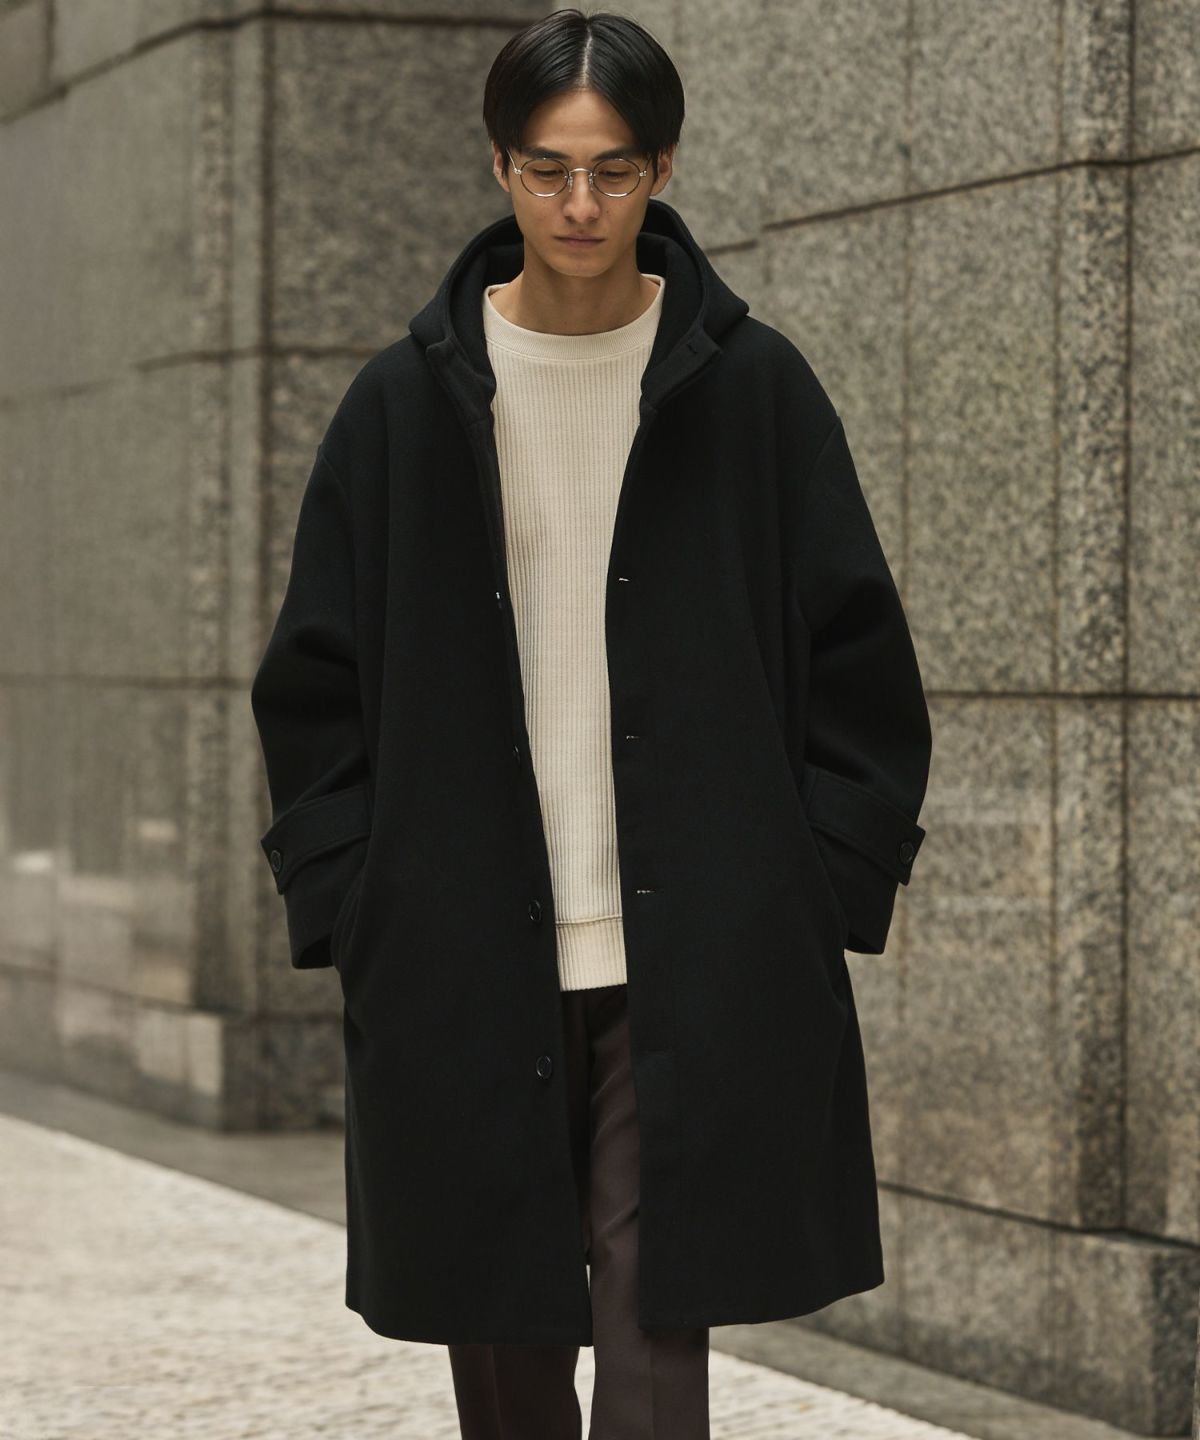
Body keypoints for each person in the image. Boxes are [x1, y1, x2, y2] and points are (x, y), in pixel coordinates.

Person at [251, 8, 932, 1440]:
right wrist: (357, 904)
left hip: (689, 955)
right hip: (460, 951)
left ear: (661, 169)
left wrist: (815, 888)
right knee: (502, 1348)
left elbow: (863, 659)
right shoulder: (400, 408)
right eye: (549, 169)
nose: (580, 204)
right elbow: (313, 685)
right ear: (500, 166)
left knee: (651, 1343)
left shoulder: (753, 390)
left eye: (614, 171)